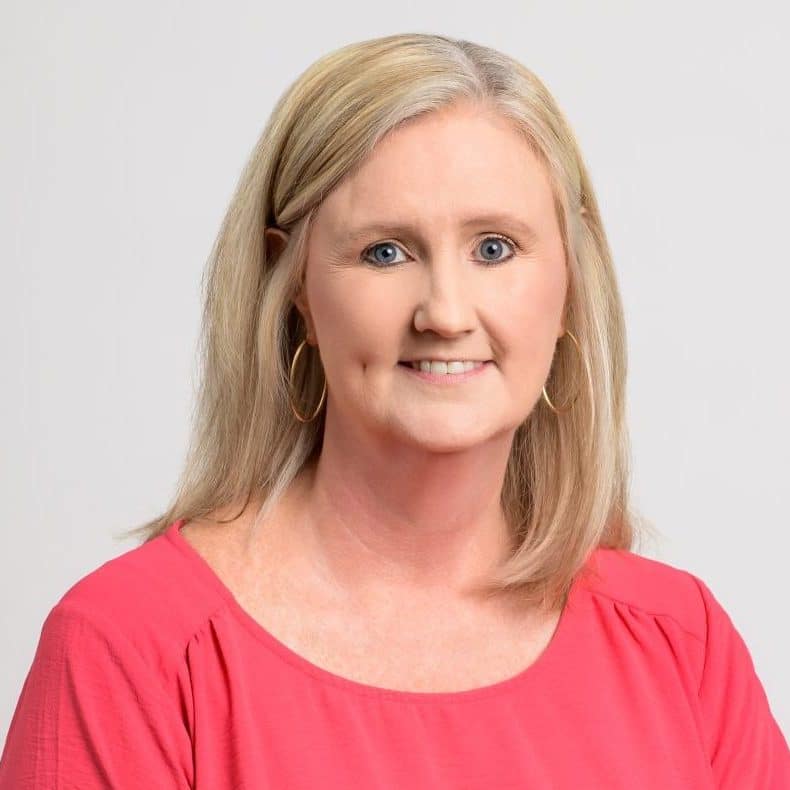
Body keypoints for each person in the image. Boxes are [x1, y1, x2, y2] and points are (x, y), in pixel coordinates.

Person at [1, 32, 788, 789]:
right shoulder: (132, 650)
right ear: (295, 286)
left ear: (571, 284)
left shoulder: (678, 642)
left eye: (494, 248)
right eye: (387, 251)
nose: (445, 311)